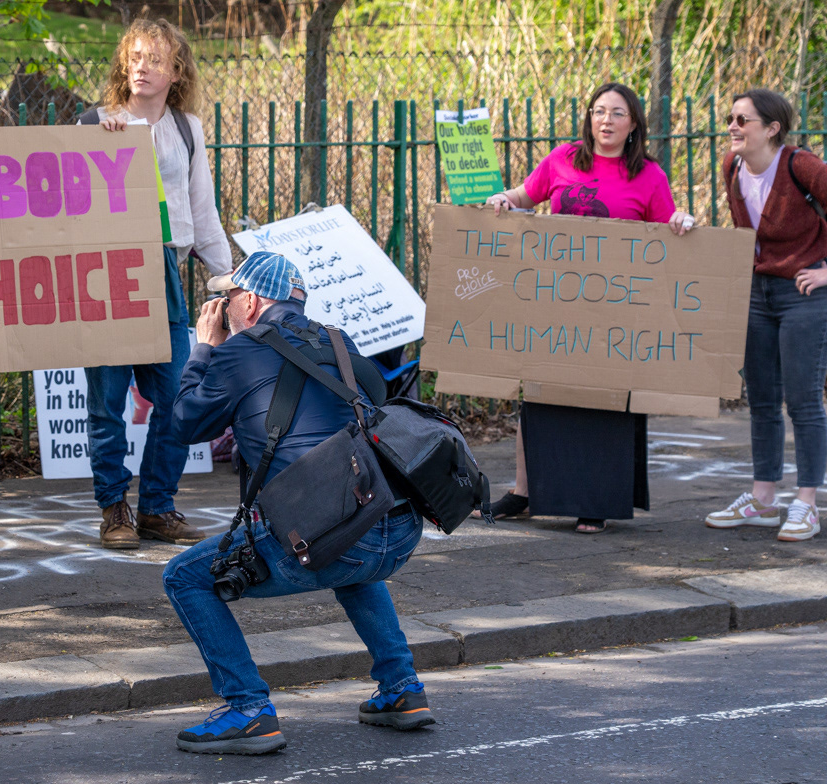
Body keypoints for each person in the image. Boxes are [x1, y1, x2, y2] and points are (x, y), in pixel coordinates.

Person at [162, 251, 431, 756]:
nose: (224, 305)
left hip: (320, 537)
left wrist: (203, 349)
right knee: (349, 543)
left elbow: (184, 425)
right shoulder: (340, 342)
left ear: (251, 301)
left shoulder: (237, 353)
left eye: (229, 296)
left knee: (184, 576)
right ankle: (401, 689)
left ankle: (248, 709)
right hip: (395, 527)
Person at [483, 82, 694, 534]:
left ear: (633, 123)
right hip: (554, 302)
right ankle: (524, 492)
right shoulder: (562, 159)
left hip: (615, 314)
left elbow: (667, 235)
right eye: (599, 111)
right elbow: (524, 196)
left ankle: (594, 499)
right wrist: (505, 199)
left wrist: (680, 220)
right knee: (538, 393)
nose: (606, 120)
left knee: (603, 405)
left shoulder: (650, 176)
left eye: (617, 113)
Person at [79, 18, 234, 550]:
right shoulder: (94, 122)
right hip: (105, 271)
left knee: (176, 397)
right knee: (107, 403)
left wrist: (227, 279)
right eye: (135, 57)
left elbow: (202, 210)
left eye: (155, 59)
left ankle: (156, 507)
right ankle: (113, 510)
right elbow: (69, 207)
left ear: (176, 71)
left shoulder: (187, 128)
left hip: (163, 269)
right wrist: (99, 144)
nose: (142, 67)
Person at [704, 89, 827, 542]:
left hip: (803, 293)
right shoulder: (732, 166)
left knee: (804, 400)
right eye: (731, 118)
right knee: (761, 399)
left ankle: (807, 503)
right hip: (757, 294)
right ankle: (762, 500)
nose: (732, 127)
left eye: (743, 120)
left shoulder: (802, 166)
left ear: (772, 128)